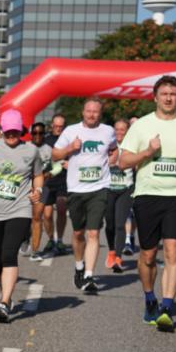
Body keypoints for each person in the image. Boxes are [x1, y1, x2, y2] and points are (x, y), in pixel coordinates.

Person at [118, 75, 176, 332]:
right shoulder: (142, 125)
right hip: (147, 194)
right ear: (155, 97)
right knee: (147, 255)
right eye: (164, 94)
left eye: (173, 94)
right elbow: (123, 162)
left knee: (173, 251)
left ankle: (167, 307)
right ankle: (150, 298)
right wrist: (148, 152)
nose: (169, 98)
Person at [0, 109, 45, 322]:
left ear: (21, 130)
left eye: (15, 131)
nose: (12, 135)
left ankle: (4, 303)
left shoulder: (31, 150)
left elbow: (38, 175)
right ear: (1, 130)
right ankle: (6, 293)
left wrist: (38, 190)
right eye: (8, 131)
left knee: (8, 254)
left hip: (19, 209)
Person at [51, 98, 118, 294]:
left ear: (100, 113)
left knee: (93, 232)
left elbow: (114, 148)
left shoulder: (108, 131)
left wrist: (112, 160)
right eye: (88, 111)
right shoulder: (71, 131)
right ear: (83, 112)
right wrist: (70, 148)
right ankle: (79, 266)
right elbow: (55, 155)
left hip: (100, 187)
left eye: (95, 111)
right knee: (78, 234)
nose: (91, 115)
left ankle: (89, 276)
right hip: (76, 189)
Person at [105, 119, 135, 274]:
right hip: (109, 189)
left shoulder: (133, 146)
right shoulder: (108, 145)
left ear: (128, 131)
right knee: (109, 224)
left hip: (126, 189)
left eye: (122, 129)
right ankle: (111, 251)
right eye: (117, 129)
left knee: (119, 224)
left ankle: (118, 258)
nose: (119, 132)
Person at [41, 113, 71, 255]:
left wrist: (70, 163)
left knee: (61, 209)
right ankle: (50, 239)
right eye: (56, 126)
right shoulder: (46, 141)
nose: (58, 128)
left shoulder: (68, 140)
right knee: (47, 215)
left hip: (63, 180)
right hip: (48, 181)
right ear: (52, 126)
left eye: (61, 126)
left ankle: (59, 240)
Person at [26, 123, 53, 260]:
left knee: (37, 217)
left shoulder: (49, 149)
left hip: (42, 186)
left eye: (41, 133)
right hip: (24, 186)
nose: (37, 136)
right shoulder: (24, 147)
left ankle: (35, 251)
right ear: (31, 134)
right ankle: (25, 237)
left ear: (44, 134)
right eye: (35, 133)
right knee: (24, 218)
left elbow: (55, 167)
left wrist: (48, 174)